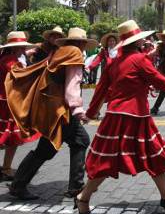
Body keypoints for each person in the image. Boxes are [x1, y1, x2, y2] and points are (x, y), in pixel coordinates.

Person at [75, 20, 165, 214]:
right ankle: (83, 197)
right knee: (149, 155)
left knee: (143, 156)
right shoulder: (139, 59)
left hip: (119, 116)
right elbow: (159, 80)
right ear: (136, 42)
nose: (144, 41)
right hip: (133, 117)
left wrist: (90, 112)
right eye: (142, 39)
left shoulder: (114, 62)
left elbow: (100, 90)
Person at [6, 28, 97, 200]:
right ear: (82, 43)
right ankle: (19, 185)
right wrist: (78, 110)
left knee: (79, 141)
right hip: (61, 111)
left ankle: (75, 186)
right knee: (47, 149)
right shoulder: (74, 53)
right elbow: (72, 84)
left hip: (54, 108)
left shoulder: (60, 52)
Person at [0, 32, 39, 181]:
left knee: (9, 137)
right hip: (8, 104)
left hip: (6, 101)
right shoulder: (10, 62)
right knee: (11, 137)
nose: (23, 49)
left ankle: (6, 167)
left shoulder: (6, 59)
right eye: (21, 46)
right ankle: (6, 168)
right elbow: (22, 77)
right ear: (15, 48)